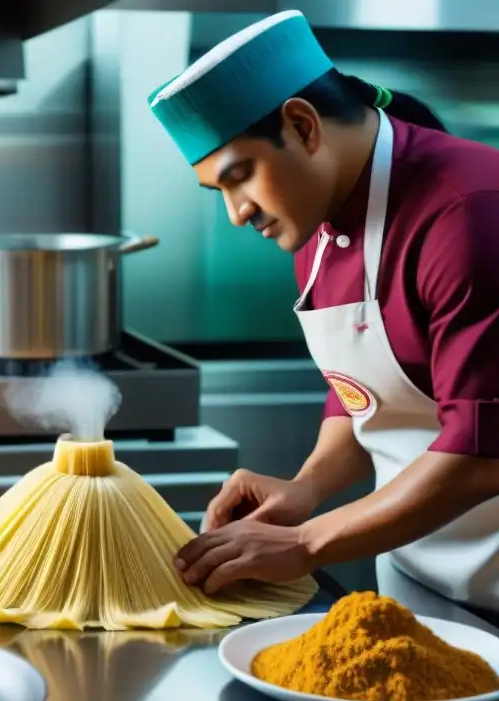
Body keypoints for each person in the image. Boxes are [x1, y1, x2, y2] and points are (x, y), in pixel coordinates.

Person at [147, 10, 499, 616]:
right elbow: (365, 393)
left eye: (240, 178)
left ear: (303, 126)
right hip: (418, 576)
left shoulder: (470, 211)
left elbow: (483, 452)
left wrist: (306, 542)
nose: (236, 212)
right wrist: (305, 489)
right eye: (219, 193)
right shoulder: (314, 222)